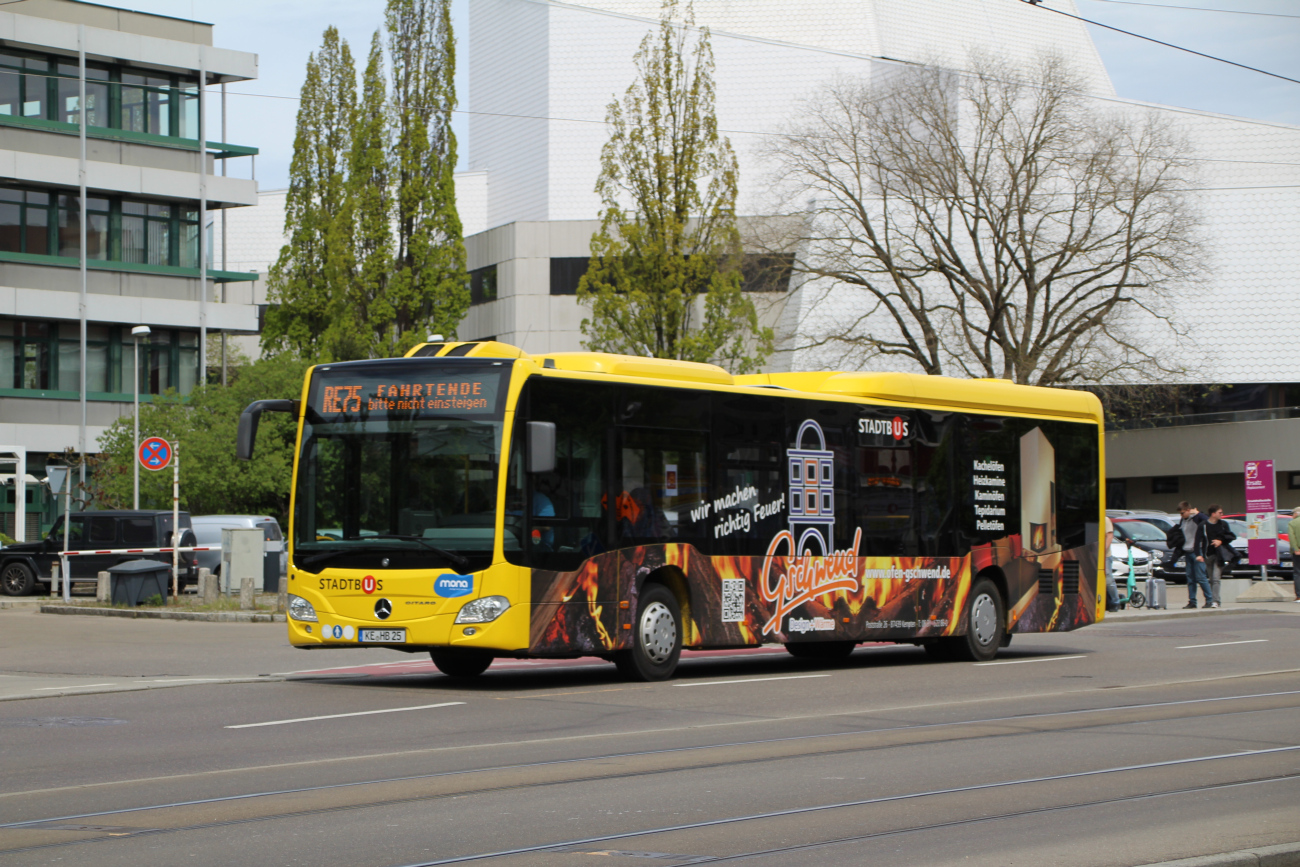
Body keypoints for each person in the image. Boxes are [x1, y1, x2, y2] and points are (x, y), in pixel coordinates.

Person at [1168, 501, 1211, 609]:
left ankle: (1210, 600)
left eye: (1182, 513)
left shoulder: (1197, 518)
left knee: (1201, 577)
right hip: (1187, 551)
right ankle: (1192, 601)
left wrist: (1197, 513)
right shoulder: (1183, 520)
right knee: (1190, 578)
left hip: (1197, 552)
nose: (1181, 516)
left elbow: (1207, 521)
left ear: (1188, 510)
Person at [1203, 504, 1235, 609]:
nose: (1222, 514)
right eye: (1220, 512)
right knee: (1211, 579)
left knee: (1216, 578)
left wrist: (1220, 541)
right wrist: (1199, 554)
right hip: (1208, 554)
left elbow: (1231, 536)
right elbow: (1198, 539)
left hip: (1219, 555)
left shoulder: (1223, 524)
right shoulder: (1204, 525)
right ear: (1213, 514)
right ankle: (1215, 599)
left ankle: (1215, 601)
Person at [1104, 516, 1120, 612]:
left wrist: (1103, 551)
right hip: (1092, 554)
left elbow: (1109, 536)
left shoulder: (1105, 519)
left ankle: (1115, 602)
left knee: (1108, 578)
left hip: (1105, 555)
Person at [1289, 507, 1300, 602]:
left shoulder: (1292, 523)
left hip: (1298, 552)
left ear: (1296, 513)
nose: (1292, 515)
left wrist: (1296, 549)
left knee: (1297, 573)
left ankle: (1299, 596)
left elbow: (1292, 538)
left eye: (1293, 513)